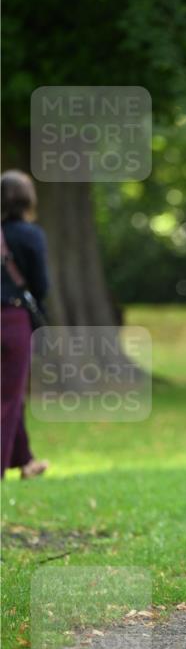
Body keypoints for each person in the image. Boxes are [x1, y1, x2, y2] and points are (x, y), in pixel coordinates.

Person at [1, 171, 50, 479]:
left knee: (11, 392)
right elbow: (41, 285)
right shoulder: (31, 235)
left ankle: (25, 460)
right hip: (13, 319)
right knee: (9, 395)